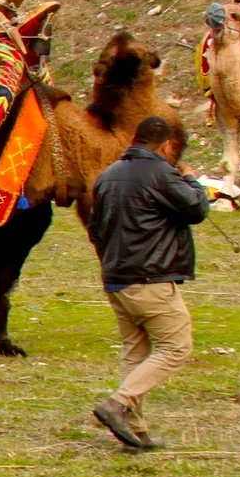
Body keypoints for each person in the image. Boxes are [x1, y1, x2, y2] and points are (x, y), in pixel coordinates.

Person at [88, 117, 208, 452]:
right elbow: (197, 209)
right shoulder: (161, 173)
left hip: (117, 277)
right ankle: (117, 403)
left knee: (136, 352)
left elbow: (95, 229)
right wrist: (191, 179)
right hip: (150, 278)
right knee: (176, 347)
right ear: (167, 145)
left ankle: (135, 432)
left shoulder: (108, 175)